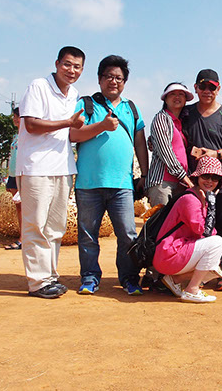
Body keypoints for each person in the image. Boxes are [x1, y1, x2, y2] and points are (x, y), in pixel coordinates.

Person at [70, 55, 149, 296]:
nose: (113, 81)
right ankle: (90, 278)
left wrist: (144, 174)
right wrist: (102, 126)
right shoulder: (86, 104)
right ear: (99, 79)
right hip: (88, 184)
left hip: (122, 185)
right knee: (87, 235)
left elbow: (140, 143)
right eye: (108, 77)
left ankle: (129, 278)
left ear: (124, 82)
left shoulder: (131, 108)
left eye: (118, 78)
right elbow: (74, 135)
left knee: (127, 234)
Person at [16, 46, 86, 299]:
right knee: (35, 225)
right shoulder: (39, 86)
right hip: (36, 167)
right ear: (57, 64)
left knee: (55, 227)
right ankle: (38, 282)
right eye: (67, 64)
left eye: (77, 67)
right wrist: (68, 122)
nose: (71, 70)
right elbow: (31, 125)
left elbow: (72, 132)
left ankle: (50, 276)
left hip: (63, 167)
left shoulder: (74, 94)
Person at [183, 68, 222, 291]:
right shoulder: (186, 113)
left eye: (212, 87)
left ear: (218, 89)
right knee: (193, 226)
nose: (207, 91)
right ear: (196, 88)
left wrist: (215, 153)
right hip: (193, 182)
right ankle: (195, 273)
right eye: (203, 86)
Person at [153, 156, 222, 303]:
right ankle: (192, 290)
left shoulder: (200, 197)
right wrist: (212, 205)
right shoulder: (190, 200)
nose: (210, 181)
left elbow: (209, 233)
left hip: (175, 252)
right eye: (205, 176)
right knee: (217, 243)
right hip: (169, 254)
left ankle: (174, 280)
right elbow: (204, 232)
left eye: (215, 178)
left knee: (219, 264)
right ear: (197, 177)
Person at [145, 82, 195, 207]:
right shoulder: (161, 118)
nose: (177, 97)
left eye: (181, 94)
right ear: (165, 99)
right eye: (172, 94)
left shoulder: (180, 123)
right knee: (161, 218)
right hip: (162, 182)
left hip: (179, 183)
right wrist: (184, 177)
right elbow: (165, 152)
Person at [4, 107, 23, 250]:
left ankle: (23, 238)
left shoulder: (28, 135)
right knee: (18, 208)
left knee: (23, 208)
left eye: (18, 116)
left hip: (22, 175)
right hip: (13, 174)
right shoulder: (16, 136)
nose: (15, 119)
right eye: (14, 117)